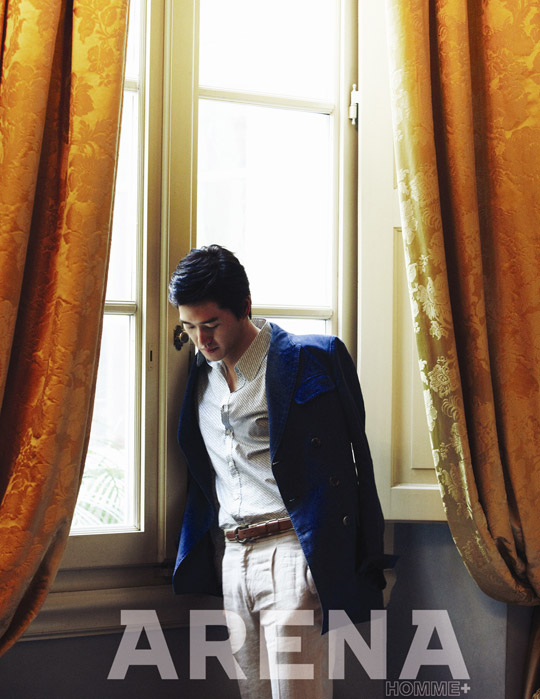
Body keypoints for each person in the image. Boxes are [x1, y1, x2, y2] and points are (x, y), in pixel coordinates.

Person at [168, 244, 388, 699]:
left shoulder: (310, 359)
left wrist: (333, 555)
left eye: (211, 324)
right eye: (189, 327)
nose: (201, 339)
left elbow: (354, 465)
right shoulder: (201, 374)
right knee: (252, 693)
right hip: (233, 556)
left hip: (291, 551)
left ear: (245, 306)